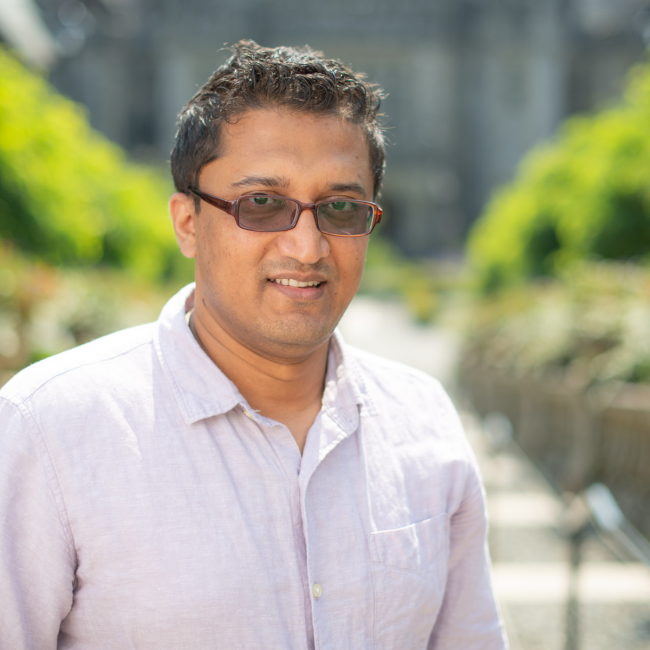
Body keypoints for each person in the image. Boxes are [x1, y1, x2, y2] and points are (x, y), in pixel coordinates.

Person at [0, 40, 507, 649]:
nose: (307, 247)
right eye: (262, 204)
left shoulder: (421, 419)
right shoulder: (50, 431)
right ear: (187, 223)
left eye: (340, 208)